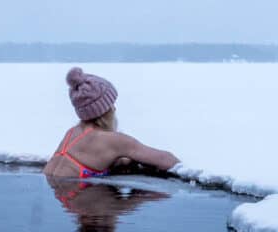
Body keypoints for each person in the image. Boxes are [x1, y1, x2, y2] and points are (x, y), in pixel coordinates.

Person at [43, 67, 179, 179]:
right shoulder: (113, 141)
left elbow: (92, 157)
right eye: (111, 104)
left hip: (62, 199)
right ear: (105, 110)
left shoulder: (72, 132)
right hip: (83, 200)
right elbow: (167, 160)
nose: (114, 108)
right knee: (143, 197)